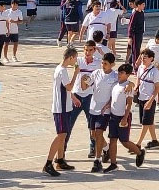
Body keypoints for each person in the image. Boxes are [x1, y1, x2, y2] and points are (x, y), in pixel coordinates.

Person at [44, 46, 80, 176]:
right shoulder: (63, 71)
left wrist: (73, 97)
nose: (75, 61)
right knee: (61, 135)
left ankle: (60, 160)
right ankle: (48, 163)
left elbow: (64, 89)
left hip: (65, 106)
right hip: (61, 108)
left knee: (63, 135)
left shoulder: (59, 69)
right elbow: (69, 86)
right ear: (70, 57)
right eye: (75, 58)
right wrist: (76, 73)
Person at [86, 52, 117, 172]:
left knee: (99, 133)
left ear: (112, 64)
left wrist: (108, 104)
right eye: (102, 63)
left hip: (105, 111)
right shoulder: (96, 73)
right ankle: (106, 148)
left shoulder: (114, 77)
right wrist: (84, 80)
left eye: (106, 64)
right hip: (93, 107)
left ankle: (97, 160)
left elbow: (116, 92)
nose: (103, 65)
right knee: (93, 135)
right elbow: (87, 86)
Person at [131, 49, 159, 156]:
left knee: (145, 123)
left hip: (149, 99)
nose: (143, 58)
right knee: (149, 121)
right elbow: (138, 79)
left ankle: (138, 144)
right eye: (142, 56)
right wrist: (136, 88)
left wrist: (151, 101)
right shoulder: (141, 68)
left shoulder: (154, 72)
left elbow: (157, 88)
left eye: (145, 57)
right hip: (141, 98)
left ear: (151, 58)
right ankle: (154, 141)